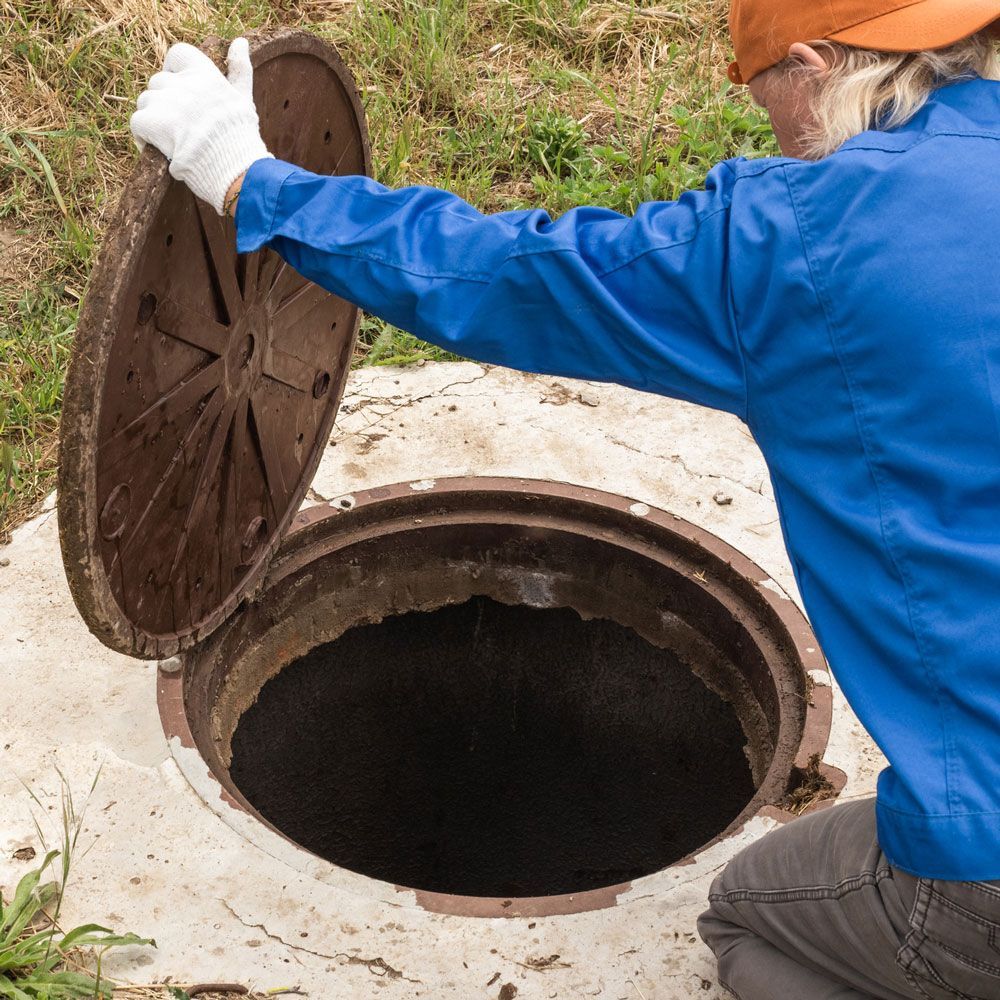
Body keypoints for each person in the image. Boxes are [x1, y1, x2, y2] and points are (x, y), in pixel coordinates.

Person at [130, 2, 1000, 997]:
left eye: (762, 97)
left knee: (752, 921)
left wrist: (249, 177)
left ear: (809, 66)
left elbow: (511, 277)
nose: (775, 133)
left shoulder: (796, 243)